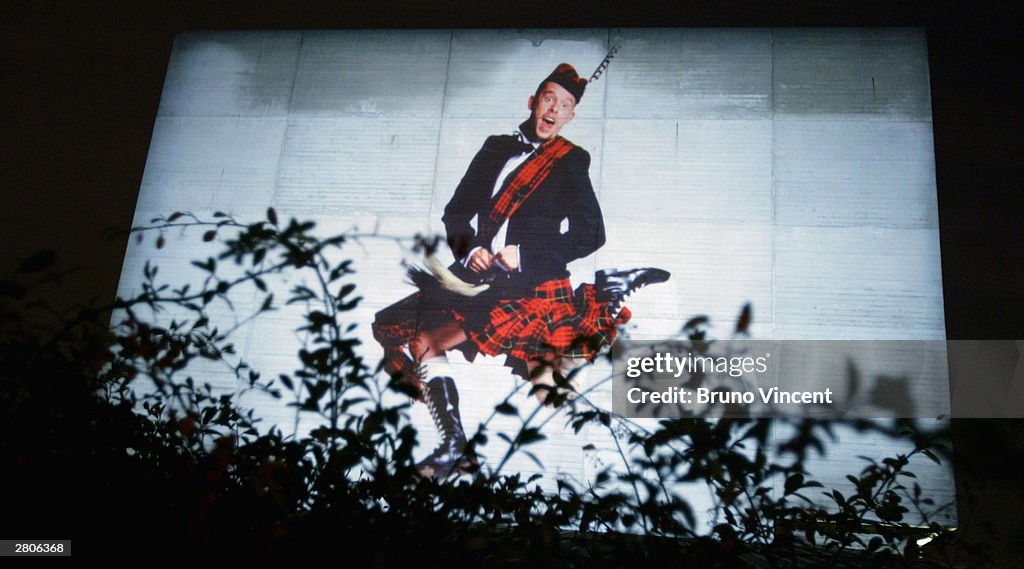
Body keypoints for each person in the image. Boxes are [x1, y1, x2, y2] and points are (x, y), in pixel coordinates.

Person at [373, 63, 668, 478]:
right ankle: (456, 447)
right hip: (480, 280)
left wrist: (524, 253)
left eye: (564, 105)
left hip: (532, 284)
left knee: (546, 389)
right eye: (549, 98)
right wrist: (471, 246)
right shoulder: (496, 147)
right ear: (533, 102)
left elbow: (591, 234)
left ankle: (610, 291)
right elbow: (456, 213)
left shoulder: (570, 160)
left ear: (570, 116)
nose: (554, 109)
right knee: (397, 330)